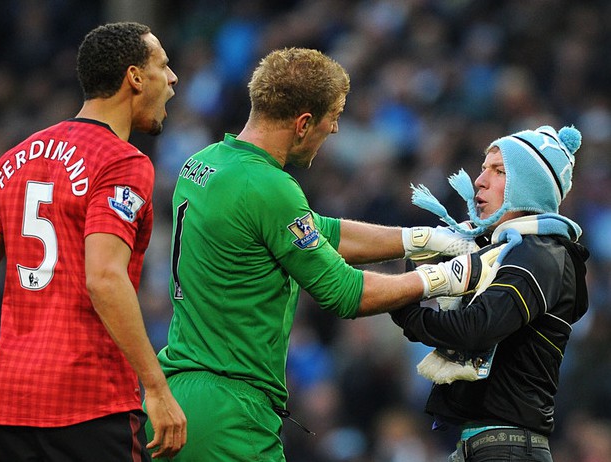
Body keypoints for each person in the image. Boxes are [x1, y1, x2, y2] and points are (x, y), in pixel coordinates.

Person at [145, 47, 502, 461]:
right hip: (231, 410)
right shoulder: (270, 188)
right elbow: (344, 292)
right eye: (333, 116)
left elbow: (318, 231)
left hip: (176, 398)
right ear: (303, 124)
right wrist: (448, 276)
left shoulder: (203, 165)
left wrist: (421, 238)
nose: (334, 130)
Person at [0, 22, 186, 461]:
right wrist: (156, 387)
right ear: (134, 77)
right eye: (163, 66)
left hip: (10, 407)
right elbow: (105, 277)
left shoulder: (12, 160)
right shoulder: (123, 162)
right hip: (91, 405)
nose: (172, 79)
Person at [391, 125, 589, 461]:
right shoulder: (499, 252)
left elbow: (475, 328)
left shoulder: (541, 253)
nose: (479, 180)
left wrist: (403, 307)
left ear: (528, 188)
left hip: (508, 448)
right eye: (483, 168)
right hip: (483, 446)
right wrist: (431, 251)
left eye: (498, 171)